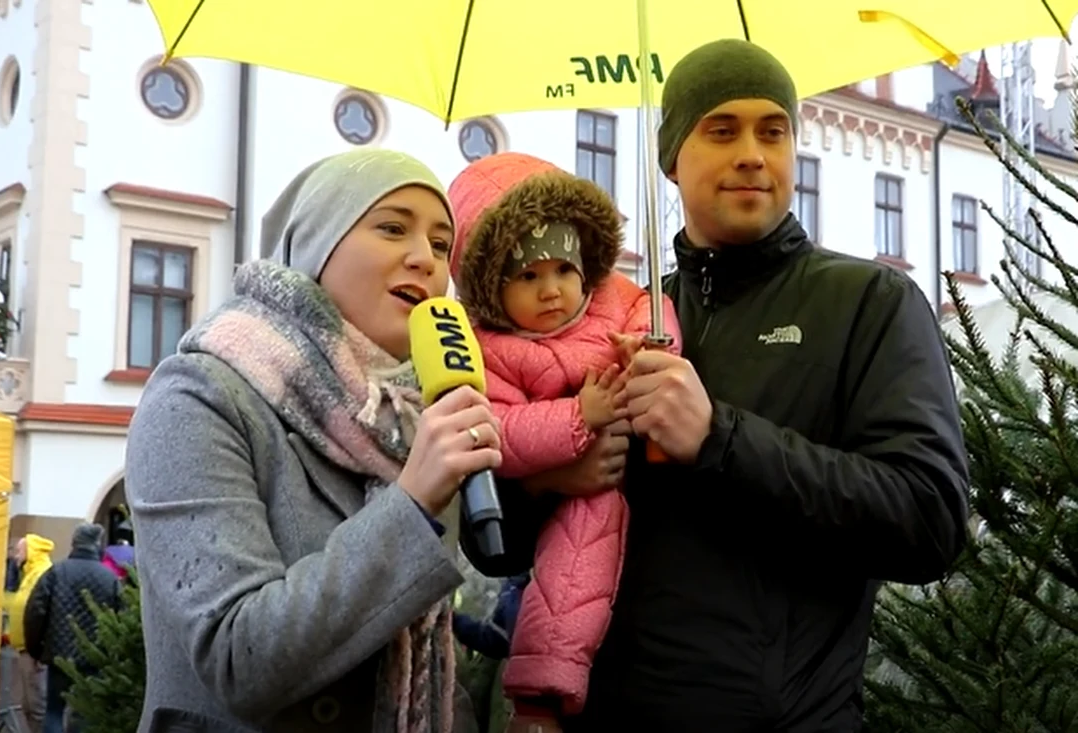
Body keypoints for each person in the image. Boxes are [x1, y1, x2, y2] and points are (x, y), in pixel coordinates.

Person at [463, 39, 970, 732]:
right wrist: (551, 479)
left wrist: (718, 437)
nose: (753, 154)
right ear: (673, 157)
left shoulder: (869, 303)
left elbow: (928, 519)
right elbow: (504, 545)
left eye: (774, 131)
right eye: (721, 130)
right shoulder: (623, 321)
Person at [124, 148, 503, 733]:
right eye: (392, 227)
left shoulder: (416, 417)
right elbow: (235, 657)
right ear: (315, 245)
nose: (424, 259)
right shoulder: (201, 394)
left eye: (439, 243)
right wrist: (412, 506)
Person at [447, 152, 682, 728]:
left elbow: (654, 312)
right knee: (571, 571)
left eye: (563, 271)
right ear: (492, 286)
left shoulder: (615, 297)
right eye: (528, 276)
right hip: (576, 491)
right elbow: (500, 430)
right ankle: (539, 697)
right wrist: (580, 416)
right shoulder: (487, 348)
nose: (551, 290)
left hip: (645, 461)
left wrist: (651, 350)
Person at [24, 523, 121, 733]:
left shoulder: (55, 573)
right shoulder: (110, 579)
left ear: (74, 543)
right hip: (95, 658)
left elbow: (35, 612)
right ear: (97, 545)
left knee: (54, 712)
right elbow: (119, 619)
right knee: (85, 713)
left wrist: (35, 649)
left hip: (59, 656)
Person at [4, 533, 55, 733]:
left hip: (34, 653)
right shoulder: (30, 575)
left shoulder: (41, 576)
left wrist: (39, 650)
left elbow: (43, 615)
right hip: (26, 649)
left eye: (19, 551)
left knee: (36, 705)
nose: (16, 555)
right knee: (27, 704)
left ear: (30, 552)